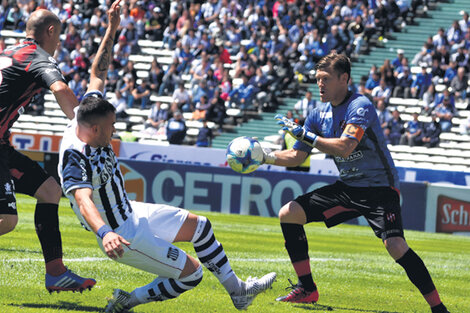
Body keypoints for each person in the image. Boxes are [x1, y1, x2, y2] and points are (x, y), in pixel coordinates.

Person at [57, 3, 276, 312]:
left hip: (131, 211)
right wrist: (105, 233)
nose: (115, 130)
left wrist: (112, 28)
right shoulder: (75, 155)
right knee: (193, 274)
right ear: (92, 129)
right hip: (122, 233)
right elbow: (83, 199)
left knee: (201, 226)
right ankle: (128, 300)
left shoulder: (89, 112)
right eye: (110, 127)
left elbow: (98, 73)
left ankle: (239, 291)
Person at [260, 53, 450, 313]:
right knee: (289, 214)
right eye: (317, 79)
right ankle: (307, 289)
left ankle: (438, 308)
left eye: (325, 79)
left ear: (344, 79)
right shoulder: (317, 115)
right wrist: (264, 156)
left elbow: (346, 148)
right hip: (348, 187)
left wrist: (307, 135)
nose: (320, 84)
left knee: (395, 246)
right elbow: (296, 156)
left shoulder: (360, 105)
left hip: (379, 189)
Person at [0, 7, 95, 293]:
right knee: (6, 219)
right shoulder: (38, 57)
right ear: (51, 32)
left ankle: (56, 272)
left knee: (50, 191)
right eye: (59, 36)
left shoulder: (10, 51)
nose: (59, 44)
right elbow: (60, 90)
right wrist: (86, 132)